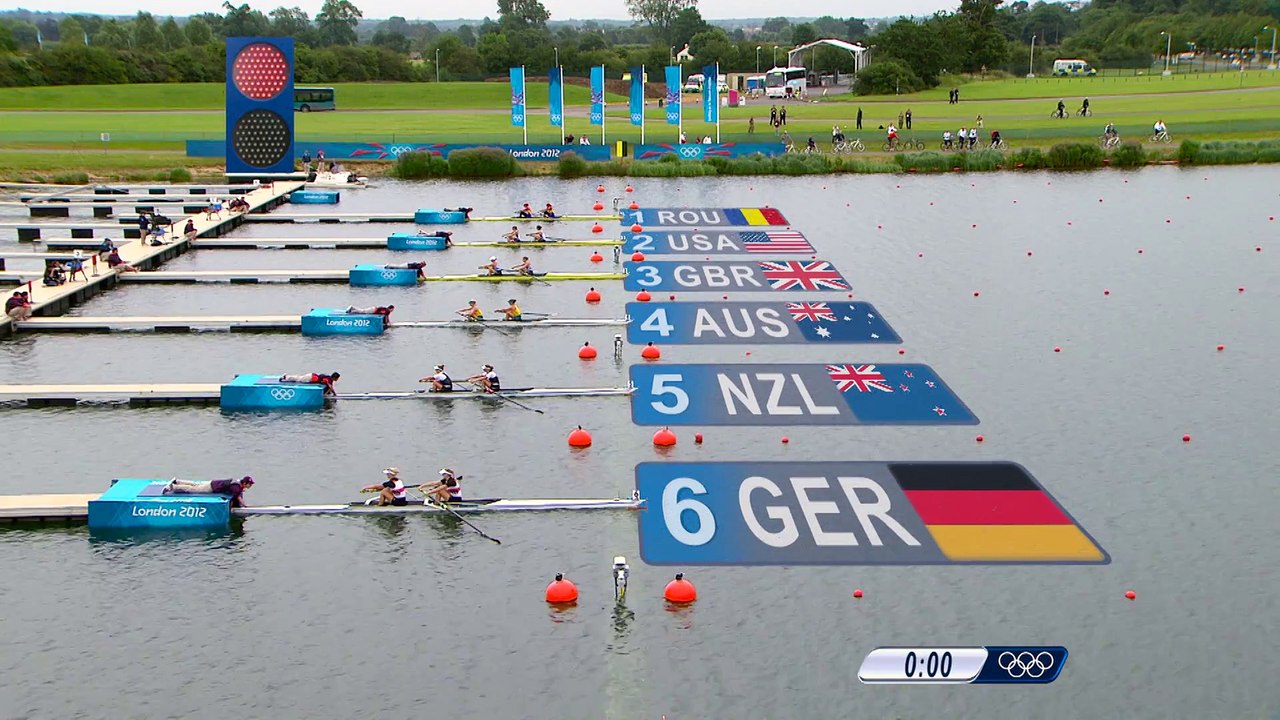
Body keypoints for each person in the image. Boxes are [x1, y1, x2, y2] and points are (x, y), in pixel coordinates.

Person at [165, 476, 254, 507]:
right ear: (245, 483)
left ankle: (178, 481)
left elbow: (237, 494)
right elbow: (236, 497)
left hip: (213, 482)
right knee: (193, 489)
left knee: (195, 485)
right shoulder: (237, 488)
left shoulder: (237, 483)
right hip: (212, 488)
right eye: (250, 484)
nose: (250, 486)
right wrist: (243, 506)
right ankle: (174, 487)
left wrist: (244, 505)